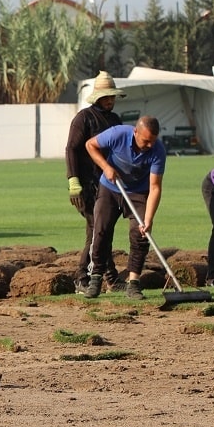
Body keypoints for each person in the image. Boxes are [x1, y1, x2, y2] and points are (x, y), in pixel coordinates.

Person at [84, 115, 167, 299]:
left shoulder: (158, 151)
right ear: (135, 132)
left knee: (140, 234)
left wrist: (148, 219)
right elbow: (90, 145)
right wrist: (106, 167)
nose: (150, 145)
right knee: (101, 231)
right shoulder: (117, 134)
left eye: (153, 141)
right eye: (146, 141)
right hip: (110, 188)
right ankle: (95, 279)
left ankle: (134, 284)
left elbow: (155, 187)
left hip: (139, 192)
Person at [65, 71, 126, 297]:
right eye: (106, 97)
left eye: (112, 96)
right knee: (97, 230)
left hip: (108, 185)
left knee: (102, 230)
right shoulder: (84, 118)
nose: (110, 100)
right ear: (97, 97)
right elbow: (71, 149)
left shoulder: (115, 120)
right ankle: (84, 278)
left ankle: (108, 278)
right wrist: (73, 181)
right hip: (86, 185)